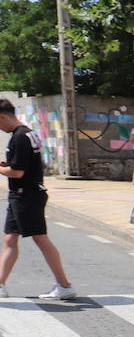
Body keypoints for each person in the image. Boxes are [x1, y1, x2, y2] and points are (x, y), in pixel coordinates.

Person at [0, 98, 76, 300]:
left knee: (40, 239)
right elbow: (21, 165)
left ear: (2, 117)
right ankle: (0, 284)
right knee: (9, 238)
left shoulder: (19, 137)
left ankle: (64, 285)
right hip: (21, 194)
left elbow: (17, 172)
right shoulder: (27, 133)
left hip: (27, 195)